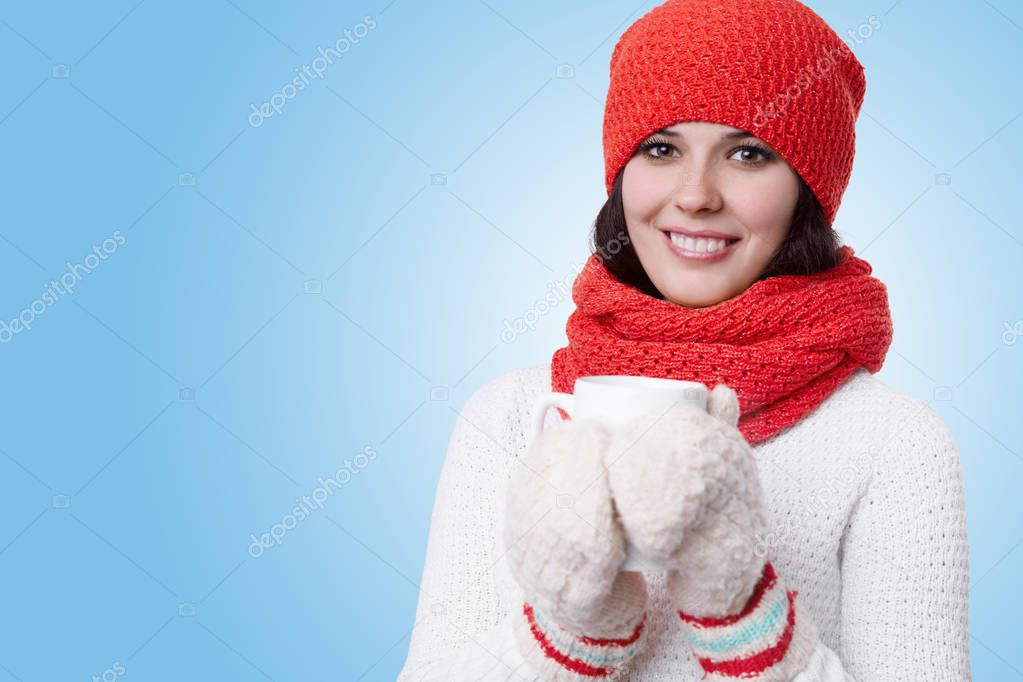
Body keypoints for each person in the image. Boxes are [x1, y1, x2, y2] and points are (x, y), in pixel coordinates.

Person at [396, 0, 971, 679]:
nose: (695, 195)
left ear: (807, 191)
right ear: (620, 174)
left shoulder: (893, 441)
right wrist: (569, 635)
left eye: (748, 153)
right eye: (661, 149)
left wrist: (742, 616)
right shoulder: (506, 416)